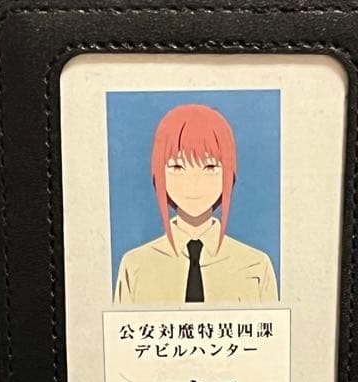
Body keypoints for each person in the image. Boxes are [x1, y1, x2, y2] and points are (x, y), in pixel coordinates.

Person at [113, 103, 278, 306]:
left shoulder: (256, 266)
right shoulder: (135, 266)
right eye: (177, 167)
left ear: (228, 173)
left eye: (210, 167)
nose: (193, 182)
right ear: (159, 174)